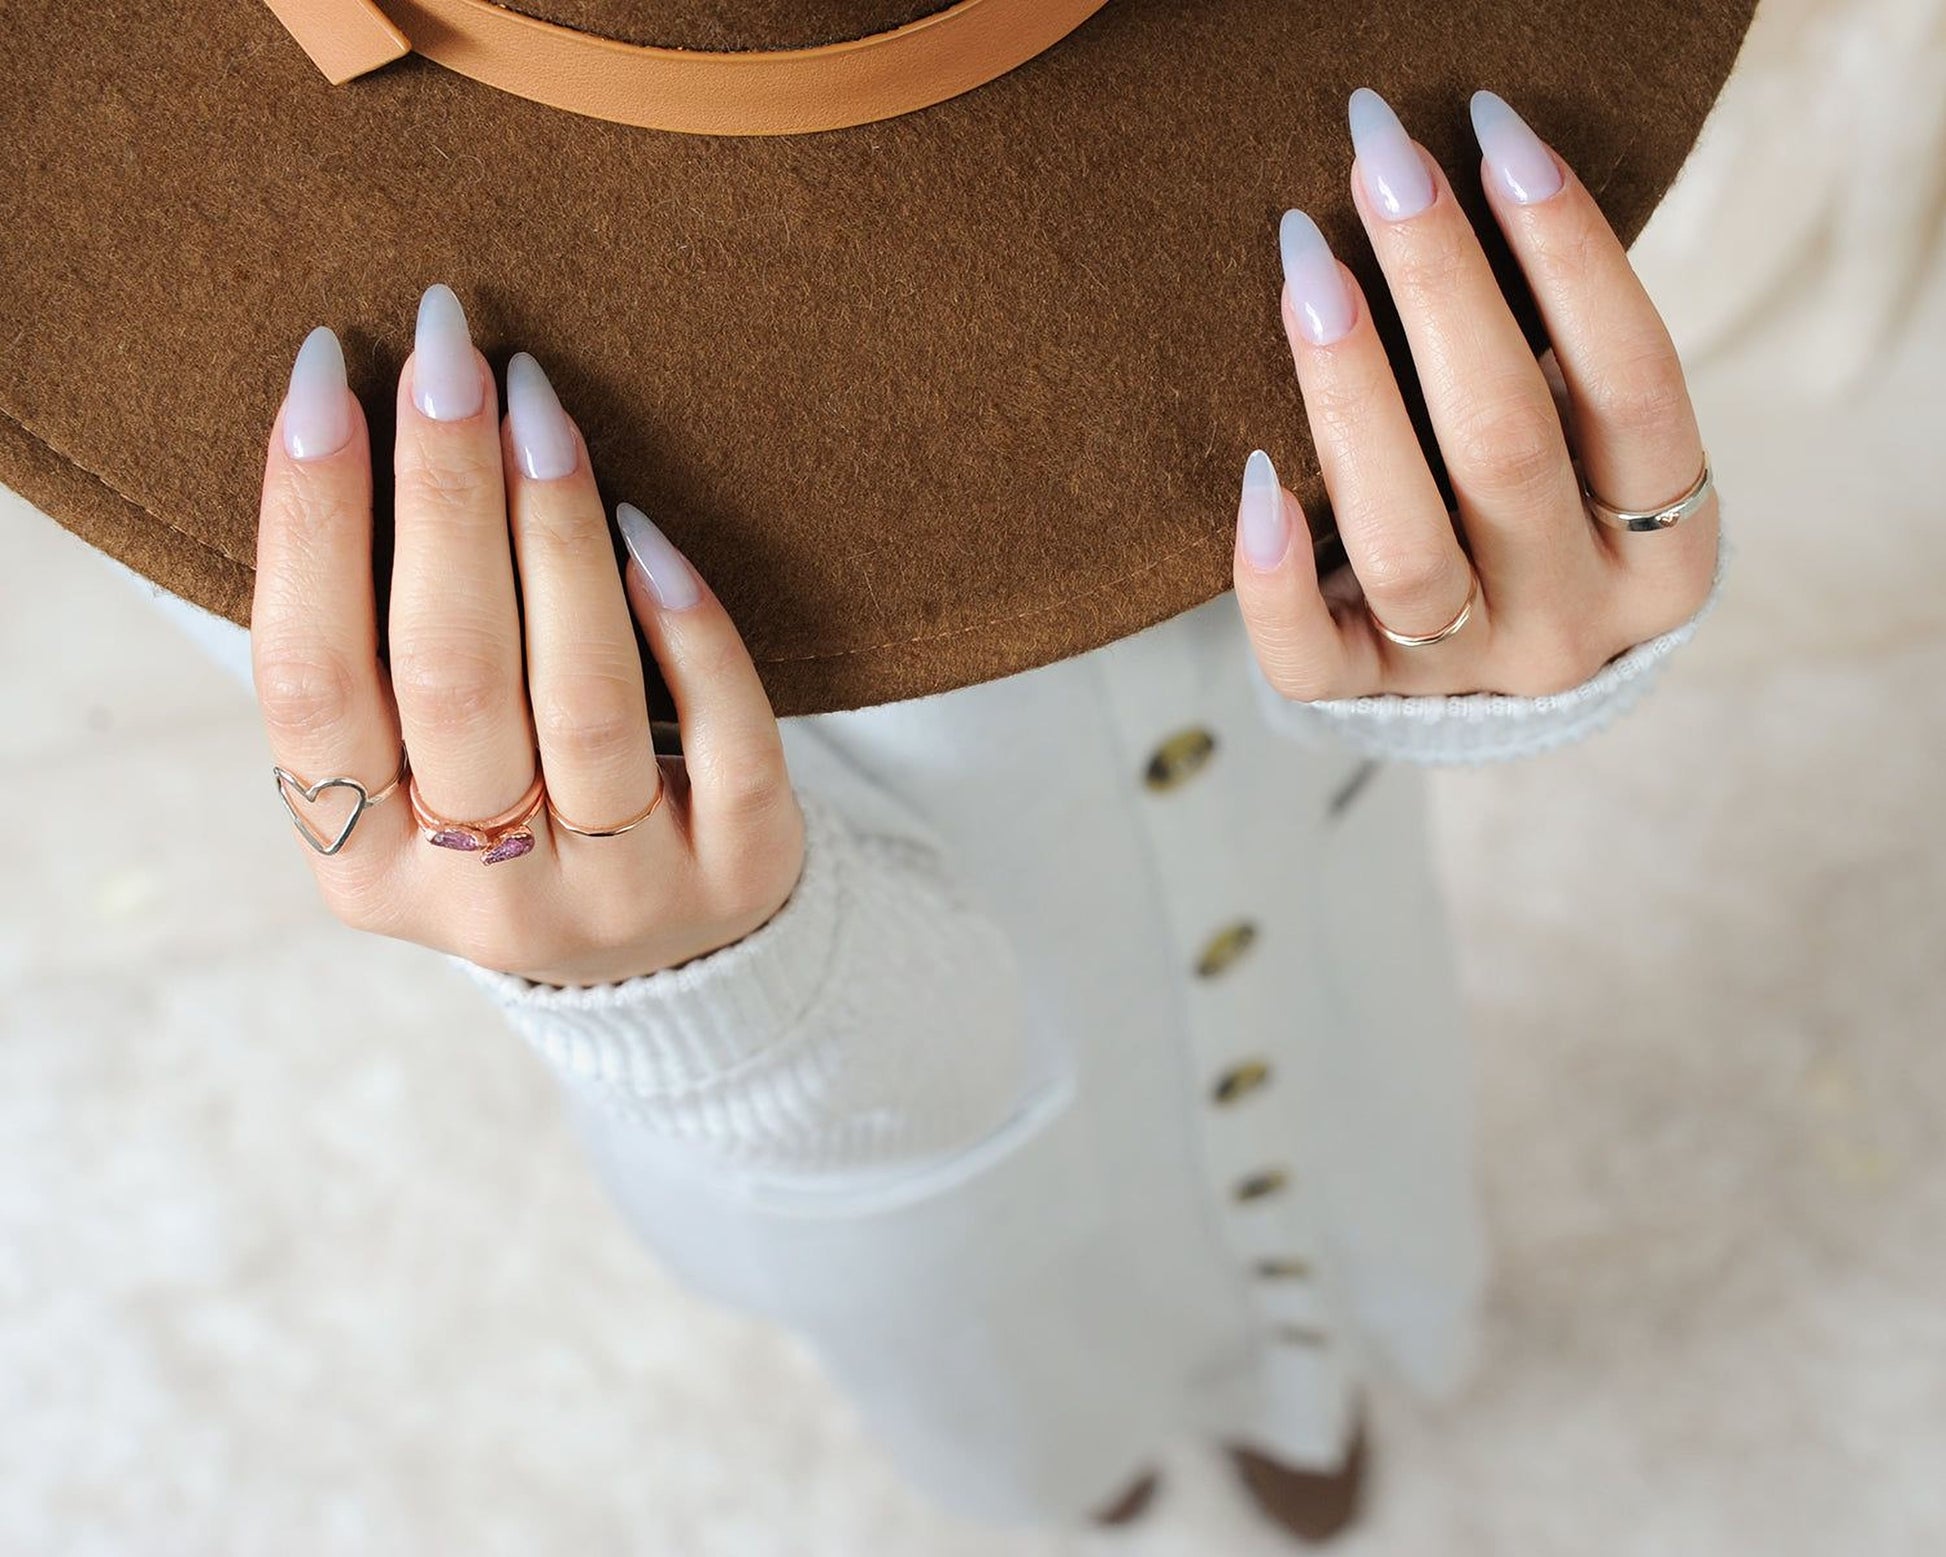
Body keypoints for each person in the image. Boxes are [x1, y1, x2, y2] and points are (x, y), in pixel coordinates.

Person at [115, 87, 1724, 1544]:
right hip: (897, 1163)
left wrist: (1511, 619)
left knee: (1331, 1076)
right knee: (1000, 1348)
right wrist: (709, 1001)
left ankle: (1296, 1382)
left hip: (1319, 904)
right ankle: (1074, 1459)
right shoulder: (259, 363)